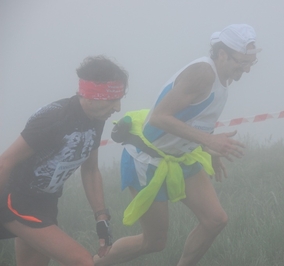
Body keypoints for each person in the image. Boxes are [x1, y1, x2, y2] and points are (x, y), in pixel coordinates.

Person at [94, 24, 261, 266]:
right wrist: (209, 140)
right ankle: (92, 263)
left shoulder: (223, 79)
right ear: (222, 54)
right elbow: (160, 117)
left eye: (251, 63)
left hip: (182, 157)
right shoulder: (203, 73)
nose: (246, 69)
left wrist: (211, 150)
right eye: (242, 62)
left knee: (216, 220)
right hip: (147, 159)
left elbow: (199, 118)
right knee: (154, 243)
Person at [0, 55, 128, 266]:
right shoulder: (54, 118)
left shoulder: (96, 119)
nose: (118, 108)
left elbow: (90, 170)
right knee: (82, 261)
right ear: (92, 95)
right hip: (19, 201)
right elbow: (6, 161)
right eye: (113, 99)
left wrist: (101, 217)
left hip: (47, 203)